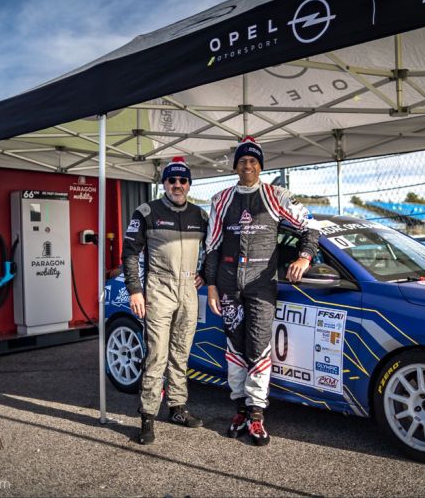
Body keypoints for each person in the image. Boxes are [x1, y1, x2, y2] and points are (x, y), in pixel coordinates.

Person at [204, 135, 319, 446]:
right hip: (228, 285)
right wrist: (212, 286)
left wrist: (304, 257)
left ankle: (256, 415)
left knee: (258, 346)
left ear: (260, 166)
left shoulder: (277, 195)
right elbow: (212, 248)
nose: (248, 165)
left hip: (261, 285)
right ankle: (239, 408)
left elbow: (310, 226)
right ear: (235, 166)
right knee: (234, 347)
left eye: (253, 161)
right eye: (242, 161)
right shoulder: (221, 199)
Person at [122, 157, 208, 445]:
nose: (177, 185)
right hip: (159, 288)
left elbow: (215, 249)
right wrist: (135, 290)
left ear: (189, 184)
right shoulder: (147, 211)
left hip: (188, 291)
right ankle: (147, 416)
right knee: (157, 354)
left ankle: (177, 408)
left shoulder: (200, 215)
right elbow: (130, 252)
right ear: (164, 184)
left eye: (183, 181)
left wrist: (205, 274)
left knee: (181, 352)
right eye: (172, 180)